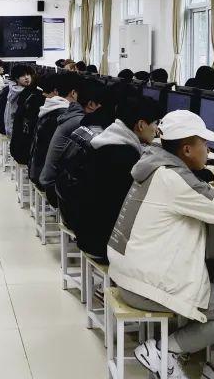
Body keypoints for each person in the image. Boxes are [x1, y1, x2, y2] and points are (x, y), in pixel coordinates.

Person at [108, 110, 214, 379]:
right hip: (146, 285)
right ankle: (165, 350)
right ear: (186, 149)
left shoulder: (154, 164)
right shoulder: (174, 179)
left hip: (129, 272)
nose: (208, 150)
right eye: (204, 144)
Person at [61, 96, 163, 263]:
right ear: (141, 125)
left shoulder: (107, 141)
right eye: (156, 123)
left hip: (86, 233)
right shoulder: (125, 156)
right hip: (101, 244)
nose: (157, 130)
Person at [39, 80, 104, 194]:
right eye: (101, 104)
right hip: (53, 186)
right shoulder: (80, 121)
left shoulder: (72, 113)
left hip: (49, 179)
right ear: (91, 104)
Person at [29, 74, 77, 185]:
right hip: (45, 179)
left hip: (36, 169)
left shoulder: (49, 107)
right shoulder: (63, 114)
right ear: (73, 93)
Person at [3, 64, 35, 137]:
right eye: (23, 75)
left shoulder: (12, 89)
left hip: (10, 129)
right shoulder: (27, 93)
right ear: (16, 78)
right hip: (19, 132)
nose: (26, 77)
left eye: (28, 74)